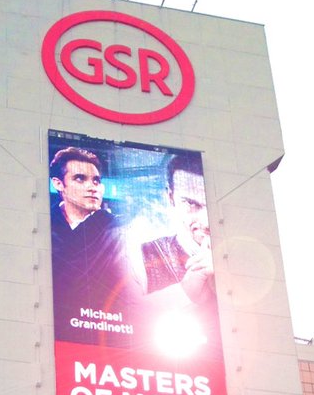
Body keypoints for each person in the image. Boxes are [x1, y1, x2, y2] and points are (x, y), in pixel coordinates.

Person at [49, 145, 129, 343]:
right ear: (58, 184)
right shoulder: (44, 227)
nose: (92, 187)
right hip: (55, 332)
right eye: (80, 179)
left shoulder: (120, 229)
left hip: (109, 333)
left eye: (96, 181)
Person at [137, 151, 214, 304]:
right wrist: (185, 292)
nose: (206, 222)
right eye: (191, 204)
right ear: (170, 198)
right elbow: (126, 311)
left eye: (213, 205)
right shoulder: (141, 256)